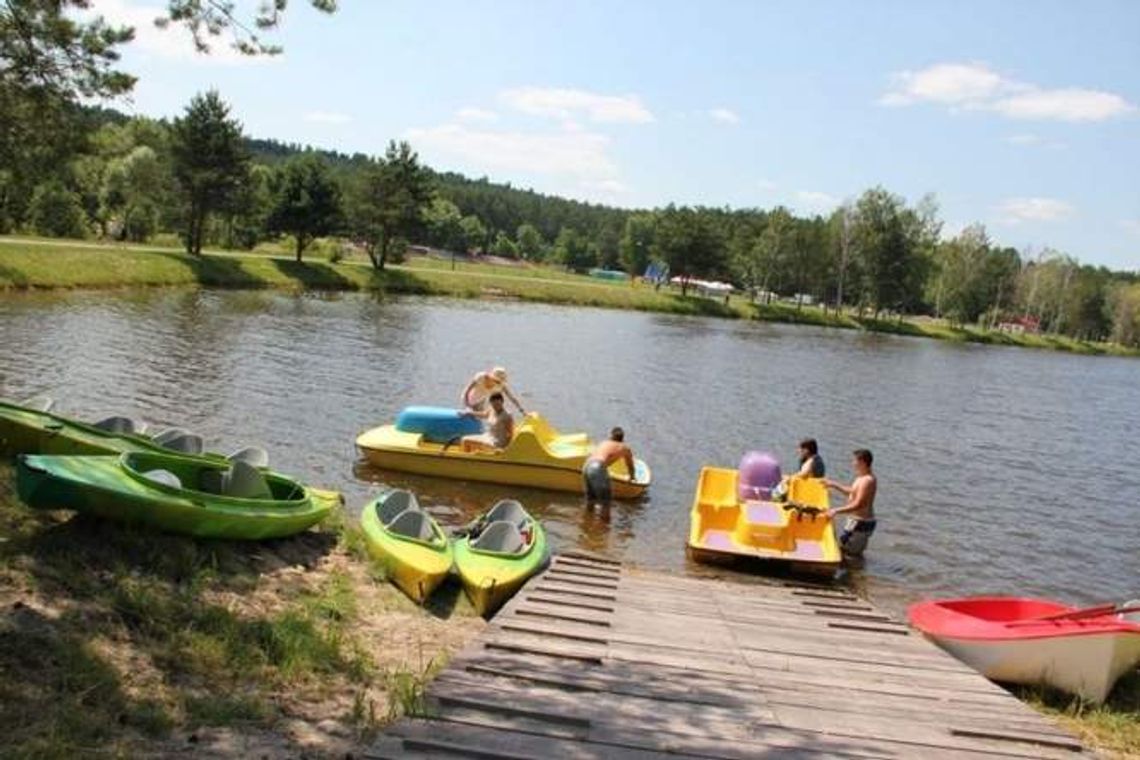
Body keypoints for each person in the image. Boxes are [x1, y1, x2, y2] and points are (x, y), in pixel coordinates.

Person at [824, 449, 877, 556]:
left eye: (855, 461)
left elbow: (859, 504)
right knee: (843, 549)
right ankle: (858, 572)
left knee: (851, 554)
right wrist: (833, 484)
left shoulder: (868, 480)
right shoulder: (861, 477)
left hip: (861, 523)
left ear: (862, 462)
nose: (853, 463)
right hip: (855, 522)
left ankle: (855, 571)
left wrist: (835, 510)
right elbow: (851, 492)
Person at [582, 427, 637, 509]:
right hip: (598, 466)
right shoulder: (624, 448)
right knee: (606, 504)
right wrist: (632, 478)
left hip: (586, 466)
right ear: (622, 438)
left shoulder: (604, 443)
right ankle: (604, 521)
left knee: (591, 501)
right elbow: (630, 466)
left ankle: (587, 520)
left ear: (611, 436)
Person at [460, 366, 525, 414]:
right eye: (496, 380)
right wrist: (467, 406)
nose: (497, 383)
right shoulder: (481, 377)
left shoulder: (500, 385)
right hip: (467, 398)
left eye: (499, 381)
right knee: (466, 414)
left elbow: (511, 397)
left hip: (480, 401)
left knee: (478, 418)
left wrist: (522, 410)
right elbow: (467, 390)